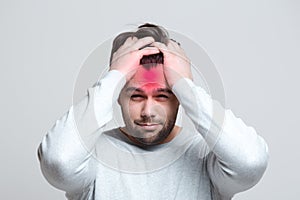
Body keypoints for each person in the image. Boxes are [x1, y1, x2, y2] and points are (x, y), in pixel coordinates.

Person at [38, 23, 269, 200]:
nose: (148, 111)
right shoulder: (91, 157)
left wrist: (185, 85)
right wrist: (115, 76)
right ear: (117, 95)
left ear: (180, 98)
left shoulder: (207, 157)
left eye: (162, 96)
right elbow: (58, 161)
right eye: (136, 96)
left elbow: (251, 162)